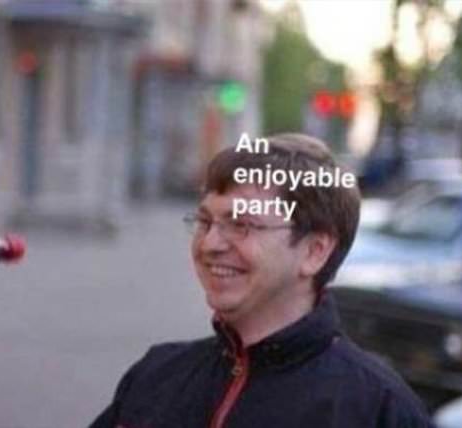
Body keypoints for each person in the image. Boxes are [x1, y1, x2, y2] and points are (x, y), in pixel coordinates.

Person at [91, 133, 432, 427]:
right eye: (205, 221)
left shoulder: (377, 410)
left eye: (241, 225)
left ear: (314, 251)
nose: (209, 244)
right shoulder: (157, 375)